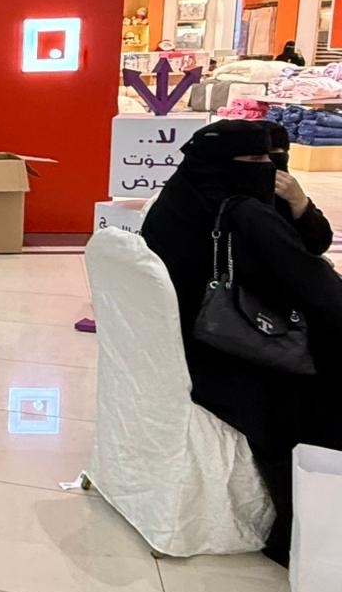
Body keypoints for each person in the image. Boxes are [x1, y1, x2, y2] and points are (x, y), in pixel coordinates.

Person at [141, 120, 342, 566]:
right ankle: (305, 533)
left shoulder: (178, 197)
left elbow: (307, 251)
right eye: (255, 160)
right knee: (321, 385)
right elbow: (316, 285)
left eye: (271, 160)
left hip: (190, 342)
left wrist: (297, 204)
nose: (268, 169)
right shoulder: (246, 214)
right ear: (225, 163)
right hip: (235, 354)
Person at [263, 121, 334, 255]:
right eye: (257, 157)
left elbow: (319, 244)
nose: (268, 161)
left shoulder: (287, 191)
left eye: (278, 152)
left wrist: (300, 202)